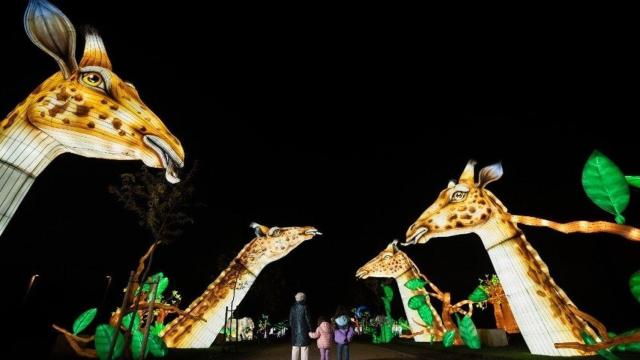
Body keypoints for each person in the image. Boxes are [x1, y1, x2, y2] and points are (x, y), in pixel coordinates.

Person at [289, 292, 312, 360]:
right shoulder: (305, 307)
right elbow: (308, 320)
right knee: (304, 348)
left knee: (295, 348)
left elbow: (290, 320)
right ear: (303, 298)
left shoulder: (292, 307)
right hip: (304, 331)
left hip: (295, 332)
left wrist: (293, 328)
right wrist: (310, 329)